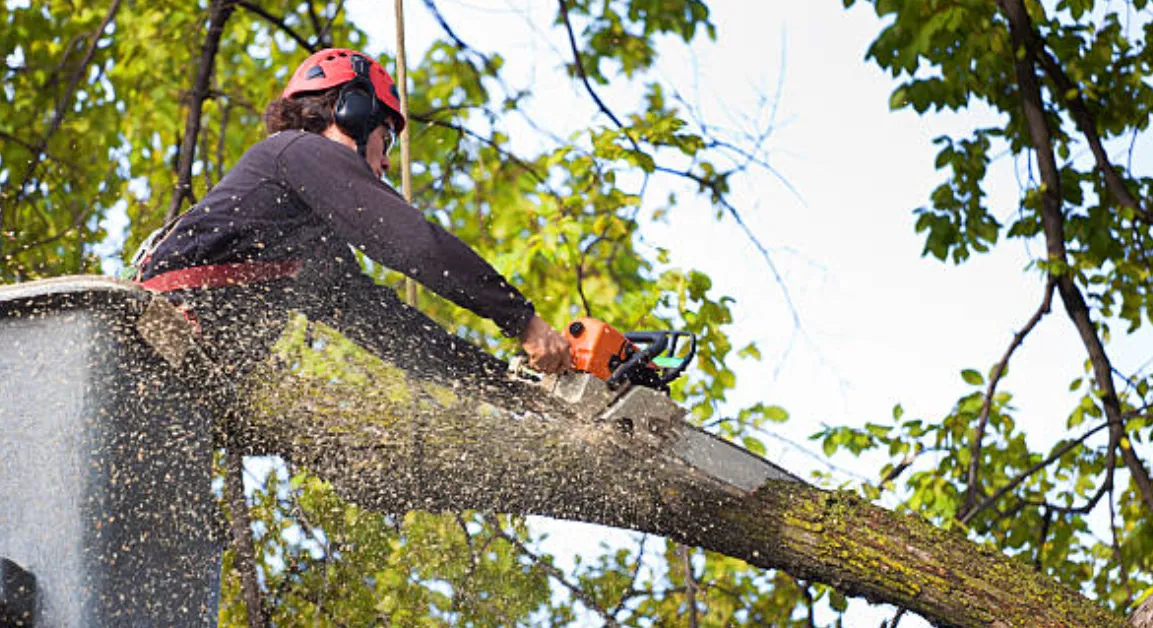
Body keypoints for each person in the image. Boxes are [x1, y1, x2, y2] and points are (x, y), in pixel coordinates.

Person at [136, 48, 571, 382]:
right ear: (354, 114)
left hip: (177, 371)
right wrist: (522, 319)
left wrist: (508, 384)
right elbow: (415, 243)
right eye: (388, 138)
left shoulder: (307, 241)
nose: (385, 163)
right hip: (152, 339)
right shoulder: (296, 151)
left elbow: (391, 329)